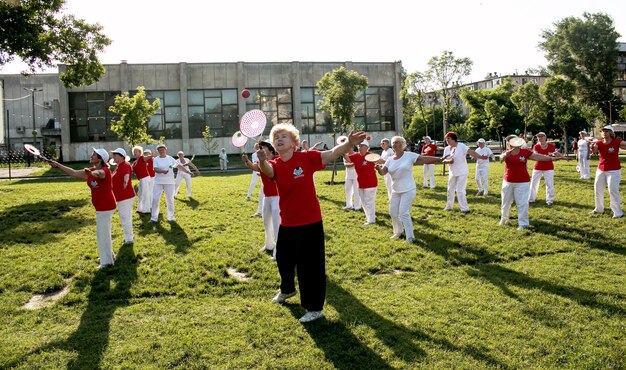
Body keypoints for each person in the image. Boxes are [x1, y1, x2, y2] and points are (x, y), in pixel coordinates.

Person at [257, 123, 365, 323]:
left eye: (283, 136)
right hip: (288, 222)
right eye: (276, 138)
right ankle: (287, 290)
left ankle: (315, 308)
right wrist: (262, 160)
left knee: (310, 267)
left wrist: (348, 143)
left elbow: (331, 153)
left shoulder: (306, 157)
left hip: (310, 222)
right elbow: (268, 172)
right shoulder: (275, 164)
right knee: (283, 259)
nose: (279, 139)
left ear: (294, 143)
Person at [47, 148, 116, 269]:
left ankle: (107, 262)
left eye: (94, 154)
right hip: (101, 206)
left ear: (100, 159)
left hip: (106, 206)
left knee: (102, 234)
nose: (91, 155)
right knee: (103, 232)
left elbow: (99, 174)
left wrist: (91, 174)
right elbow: (73, 172)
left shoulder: (104, 171)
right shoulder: (92, 170)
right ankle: (108, 255)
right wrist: (58, 165)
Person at [375, 136, 445, 242]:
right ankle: (398, 232)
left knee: (403, 213)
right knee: (393, 213)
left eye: (397, 142)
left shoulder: (409, 155)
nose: (394, 144)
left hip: (408, 189)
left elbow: (423, 158)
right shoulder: (389, 160)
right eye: (393, 143)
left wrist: (439, 159)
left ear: (402, 145)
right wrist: (378, 169)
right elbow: (383, 172)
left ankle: (410, 237)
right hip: (396, 190)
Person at [500, 134, 567, 230]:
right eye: (508, 141)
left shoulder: (525, 152)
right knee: (505, 202)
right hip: (508, 181)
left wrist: (551, 158)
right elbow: (501, 159)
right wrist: (505, 155)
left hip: (523, 182)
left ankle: (523, 224)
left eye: (512, 140)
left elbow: (537, 157)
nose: (510, 142)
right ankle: (504, 218)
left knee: (522, 203)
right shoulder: (506, 152)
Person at [242, 141, 280, 259]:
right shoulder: (260, 161)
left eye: (262, 147)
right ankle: (269, 245)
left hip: (277, 196)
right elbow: (254, 167)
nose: (259, 149)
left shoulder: (277, 159)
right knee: (266, 222)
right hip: (267, 197)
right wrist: (246, 161)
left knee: (277, 224)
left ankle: (278, 251)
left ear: (269, 149)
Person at [441, 132, 488, 212]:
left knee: (460, 190)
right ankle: (449, 206)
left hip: (462, 172)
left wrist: (480, 157)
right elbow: (444, 159)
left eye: (448, 138)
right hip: (452, 172)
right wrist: (448, 161)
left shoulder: (461, 146)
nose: (447, 140)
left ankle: (464, 209)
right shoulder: (446, 149)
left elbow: (471, 152)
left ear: (453, 138)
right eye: (446, 139)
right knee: (450, 190)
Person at [590, 125, 626, 218]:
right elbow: (594, 151)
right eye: (603, 131)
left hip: (614, 170)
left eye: (606, 131)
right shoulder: (599, 142)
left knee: (613, 190)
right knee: (598, 189)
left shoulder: (616, 141)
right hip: (601, 169)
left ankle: (618, 212)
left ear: (611, 132)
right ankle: (599, 209)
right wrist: (592, 147)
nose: (604, 133)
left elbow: (624, 144)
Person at [150, 144, 190, 223]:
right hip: (158, 182)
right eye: (160, 150)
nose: (161, 151)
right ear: (158, 151)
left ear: (165, 150)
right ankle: (154, 218)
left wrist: (187, 172)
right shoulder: (156, 159)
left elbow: (178, 166)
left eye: (163, 149)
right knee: (155, 199)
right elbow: (155, 169)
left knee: (170, 200)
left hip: (169, 182)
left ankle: (171, 217)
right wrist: (162, 171)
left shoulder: (170, 158)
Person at [347, 139, 378, 225]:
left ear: (367, 148)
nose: (360, 148)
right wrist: (344, 151)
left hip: (371, 183)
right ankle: (369, 217)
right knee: (364, 202)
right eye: (359, 146)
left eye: (362, 146)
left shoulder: (370, 155)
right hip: (361, 183)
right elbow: (348, 159)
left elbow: (380, 160)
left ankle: (371, 220)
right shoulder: (356, 156)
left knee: (369, 201)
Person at [110, 148, 135, 244]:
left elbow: (126, 175)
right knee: (124, 217)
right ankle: (128, 237)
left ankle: (129, 239)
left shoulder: (124, 165)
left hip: (126, 196)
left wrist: (125, 182)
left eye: (115, 155)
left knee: (125, 217)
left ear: (121, 156)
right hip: (121, 196)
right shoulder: (119, 166)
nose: (114, 157)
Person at [528, 132, 558, 205]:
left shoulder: (551, 146)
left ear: (545, 137)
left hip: (548, 168)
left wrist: (553, 157)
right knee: (533, 183)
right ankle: (531, 199)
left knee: (549, 184)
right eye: (538, 137)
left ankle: (550, 200)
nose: (540, 138)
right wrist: (547, 157)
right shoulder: (536, 146)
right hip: (538, 167)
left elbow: (554, 156)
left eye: (541, 136)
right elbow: (536, 155)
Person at [131, 146, 151, 214]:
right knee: (140, 194)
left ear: (140, 152)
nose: (135, 153)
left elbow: (148, 157)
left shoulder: (142, 158)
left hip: (145, 178)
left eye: (136, 151)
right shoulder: (134, 162)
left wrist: (151, 154)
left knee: (145, 194)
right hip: (141, 179)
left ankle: (147, 209)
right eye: (134, 151)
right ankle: (140, 208)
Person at [342, 144, 361, 211]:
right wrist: (352, 163)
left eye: (350, 148)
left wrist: (352, 163)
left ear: (353, 148)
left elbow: (355, 164)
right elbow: (346, 165)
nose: (348, 149)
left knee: (356, 191)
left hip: (356, 175)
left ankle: (357, 206)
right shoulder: (345, 155)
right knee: (348, 190)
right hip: (348, 175)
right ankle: (348, 205)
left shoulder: (357, 155)